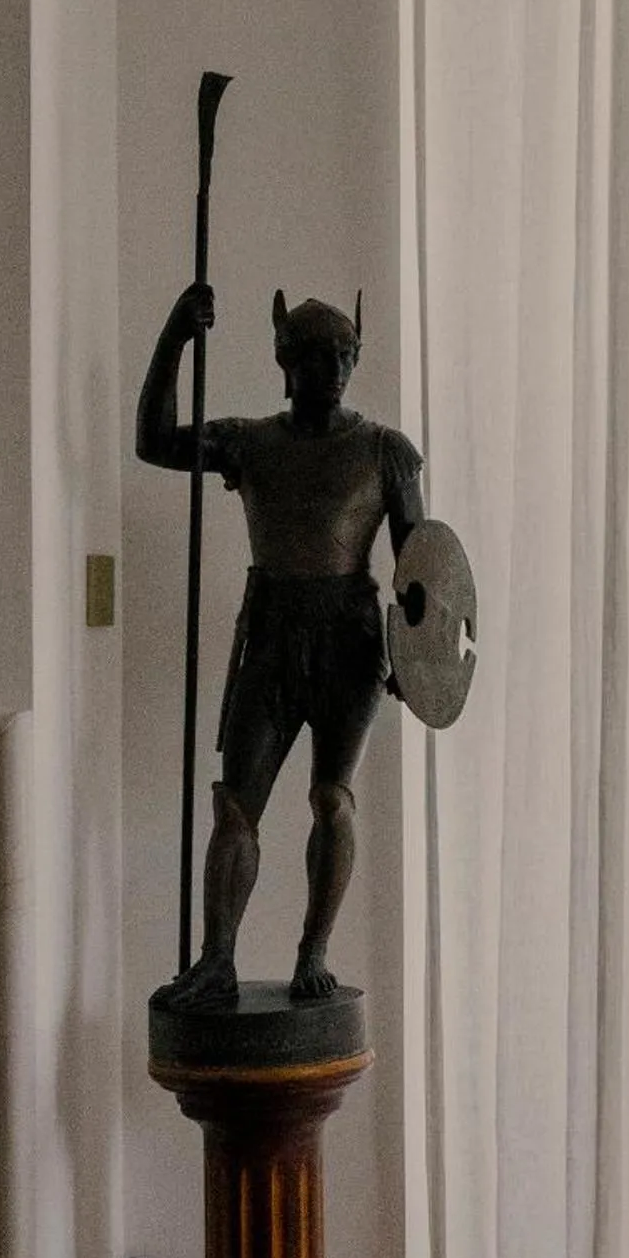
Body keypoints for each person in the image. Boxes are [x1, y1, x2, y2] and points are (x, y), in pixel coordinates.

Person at [136, 280, 423, 1006]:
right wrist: (175, 334)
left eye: (344, 355)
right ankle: (217, 960)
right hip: (269, 634)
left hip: (350, 639)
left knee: (332, 798)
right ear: (284, 360)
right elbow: (156, 441)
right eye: (316, 355)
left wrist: (419, 655)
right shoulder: (251, 442)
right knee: (238, 806)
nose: (331, 369)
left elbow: (419, 567)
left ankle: (312, 951)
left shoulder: (386, 452)